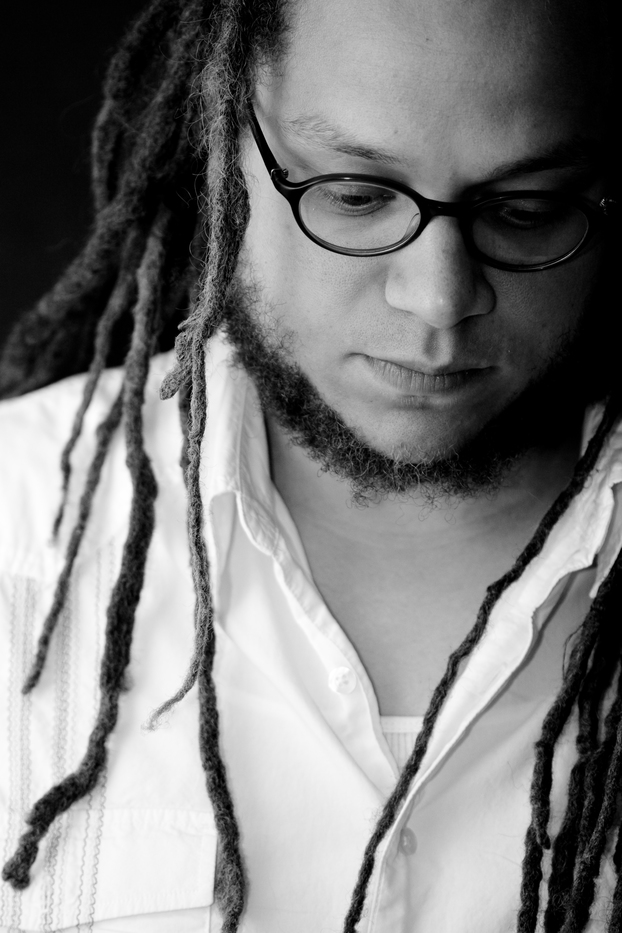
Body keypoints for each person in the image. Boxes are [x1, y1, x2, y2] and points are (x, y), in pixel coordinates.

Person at [0, 0, 619, 929]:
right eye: (356, 195)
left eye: (524, 209)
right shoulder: (13, 529)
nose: (437, 299)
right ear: (221, 146)